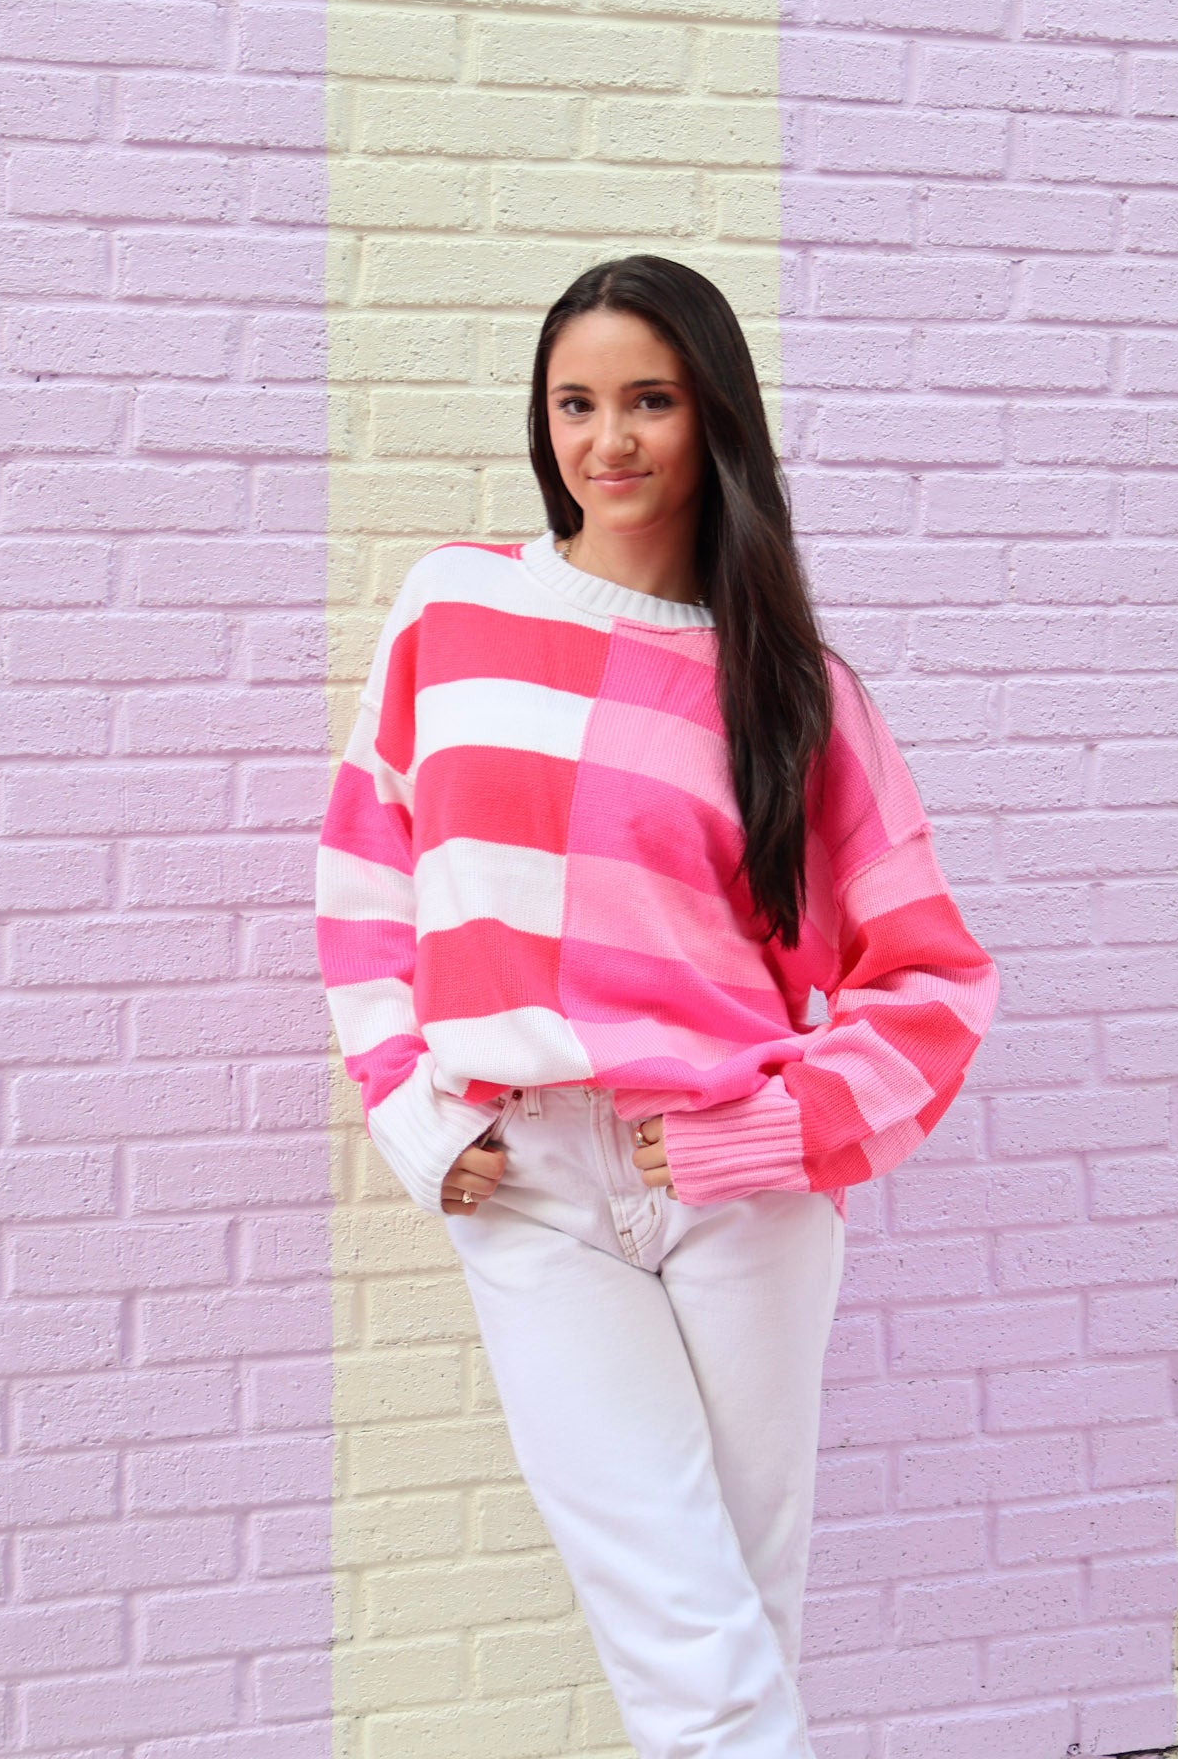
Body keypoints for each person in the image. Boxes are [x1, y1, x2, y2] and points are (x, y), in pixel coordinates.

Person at [313, 254, 998, 1757]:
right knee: (684, 1629)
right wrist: (413, 1115)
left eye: (646, 401)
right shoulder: (454, 609)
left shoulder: (796, 691)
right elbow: (369, 878)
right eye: (574, 402)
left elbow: (932, 982)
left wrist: (770, 1137)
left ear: (711, 420)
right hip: (535, 1184)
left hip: (735, 1185)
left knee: (741, 1610)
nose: (604, 441)